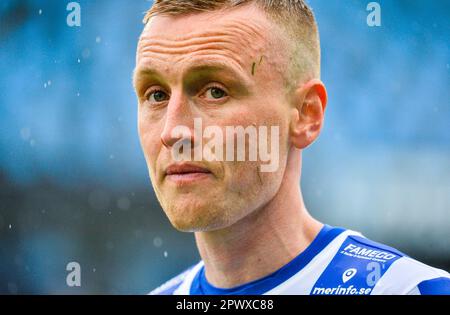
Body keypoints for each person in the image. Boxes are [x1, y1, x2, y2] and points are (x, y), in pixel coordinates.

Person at [132, 0, 450, 295]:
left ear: (306, 115)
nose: (173, 132)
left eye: (215, 91)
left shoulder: (409, 289)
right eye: (156, 95)